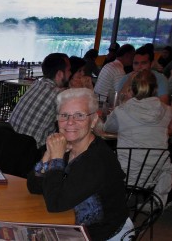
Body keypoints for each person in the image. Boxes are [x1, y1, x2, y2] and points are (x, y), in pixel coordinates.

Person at [27, 88, 133, 240]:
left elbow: (55, 204)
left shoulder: (97, 159)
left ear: (93, 120)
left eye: (79, 115)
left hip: (102, 234)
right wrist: (47, 156)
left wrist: (56, 159)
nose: (70, 122)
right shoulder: (66, 147)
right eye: (64, 115)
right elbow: (34, 187)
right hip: (74, 223)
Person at [105, 69, 172, 205]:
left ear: (132, 89)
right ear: (156, 89)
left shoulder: (121, 111)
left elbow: (107, 128)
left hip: (124, 174)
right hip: (153, 175)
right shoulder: (168, 111)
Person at [8, 53, 71, 149]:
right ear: (59, 74)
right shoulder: (59, 95)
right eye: (69, 70)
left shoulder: (36, 84)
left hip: (8, 143)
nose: (70, 73)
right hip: (31, 152)